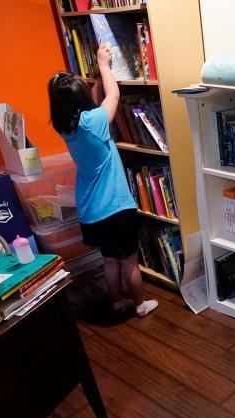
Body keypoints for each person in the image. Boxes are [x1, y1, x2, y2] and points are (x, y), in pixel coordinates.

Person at [48, 45, 157, 318]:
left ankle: (117, 303)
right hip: (115, 208)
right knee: (130, 262)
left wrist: (96, 80)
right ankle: (140, 305)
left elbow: (95, 102)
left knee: (109, 260)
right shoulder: (93, 121)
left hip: (92, 212)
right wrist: (105, 66)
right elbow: (113, 95)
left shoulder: (65, 125)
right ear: (82, 99)